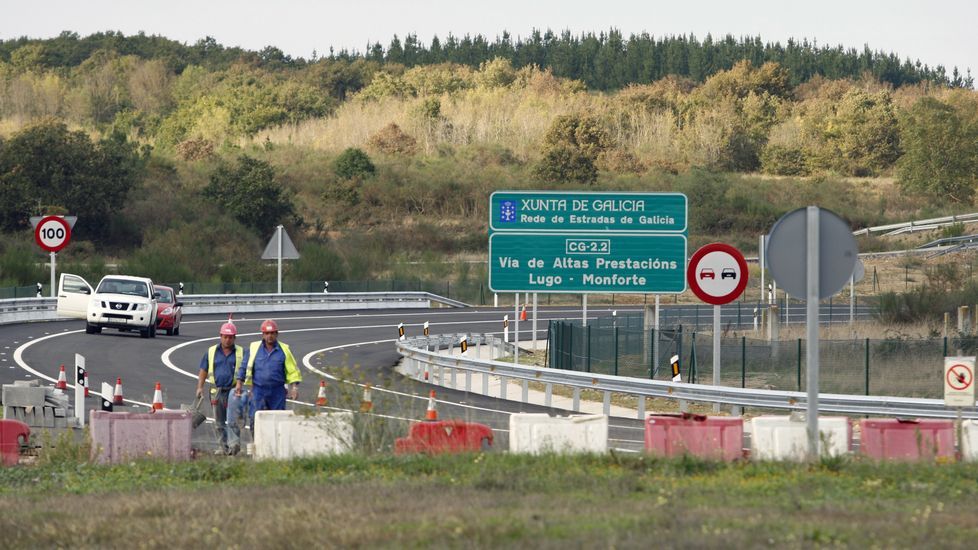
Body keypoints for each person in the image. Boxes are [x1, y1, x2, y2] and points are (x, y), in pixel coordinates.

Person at [235, 319, 301, 430]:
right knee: (255, 418)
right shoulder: (254, 348)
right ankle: (257, 443)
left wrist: (294, 388)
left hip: (277, 391)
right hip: (258, 390)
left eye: (272, 333)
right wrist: (239, 384)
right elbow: (243, 366)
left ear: (276, 334)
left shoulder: (284, 350)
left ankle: (276, 445)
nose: (269, 336)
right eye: (267, 333)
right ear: (263, 334)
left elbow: (293, 371)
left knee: (278, 419)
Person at [196, 320, 243, 455]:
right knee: (219, 421)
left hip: (234, 391)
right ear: (220, 336)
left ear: (234, 337)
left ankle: (234, 445)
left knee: (233, 419)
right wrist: (200, 387)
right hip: (216, 390)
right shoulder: (211, 352)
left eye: (230, 337)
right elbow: (203, 370)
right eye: (225, 336)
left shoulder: (240, 352)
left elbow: (247, 369)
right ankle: (223, 447)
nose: (227, 340)